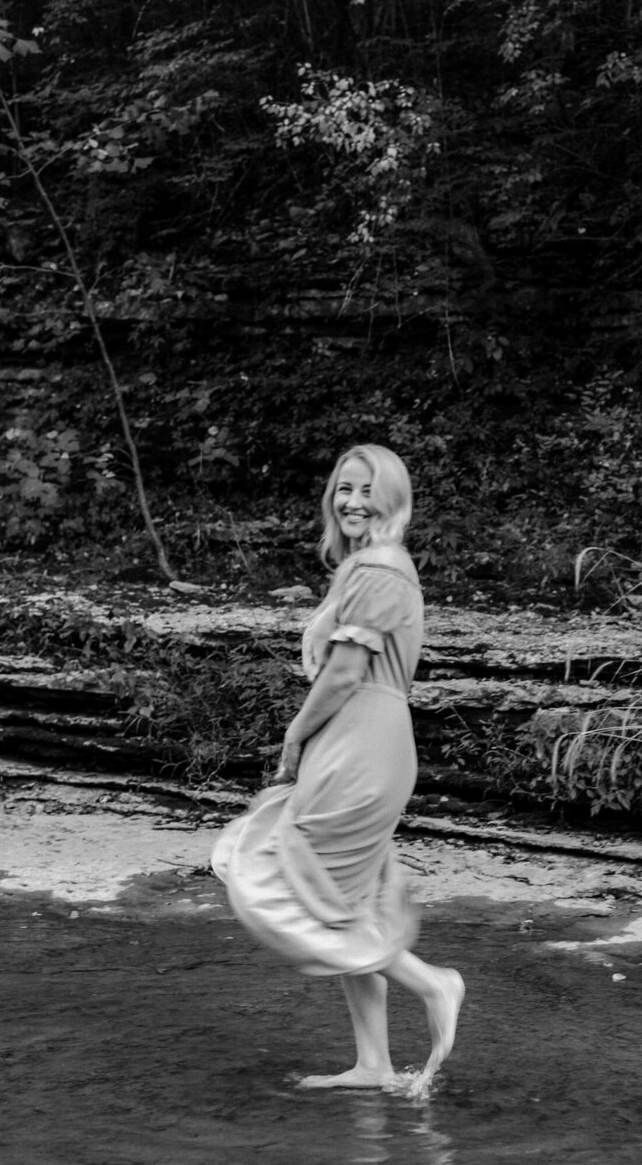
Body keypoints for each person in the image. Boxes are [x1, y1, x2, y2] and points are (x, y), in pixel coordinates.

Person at [211, 443, 464, 1090]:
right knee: (344, 898)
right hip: (356, 742)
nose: (352, 500)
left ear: (393, 499)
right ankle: (374, 1064)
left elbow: (348, 672)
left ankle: (433, 984)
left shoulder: (380, 569)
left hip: (363, 744)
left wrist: (295, 736)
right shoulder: (366, 567)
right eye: (343, 489)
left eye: (366, 489)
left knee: (297, 879)